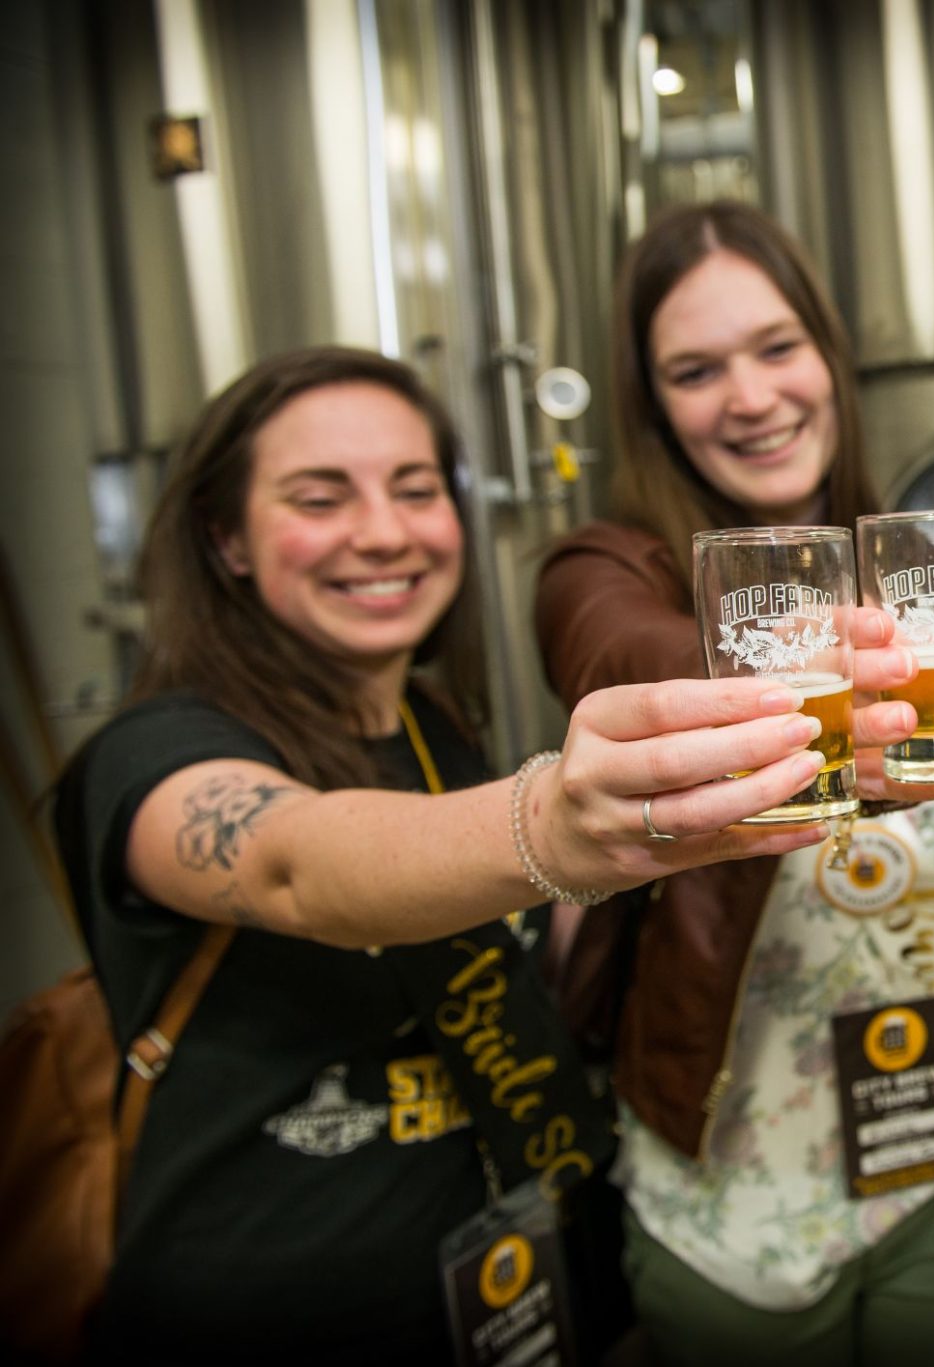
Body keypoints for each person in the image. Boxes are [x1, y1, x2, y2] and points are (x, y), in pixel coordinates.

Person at [51, 346, 846, 1365]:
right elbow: (293, 865)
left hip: (505, 1305)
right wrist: (551, 827)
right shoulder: (154, 751)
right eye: (319, 497)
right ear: (226, 538)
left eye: (415, 490)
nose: (382, 533)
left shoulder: (435, 729)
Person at [533, 200, 934, 1367]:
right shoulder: (605, 570)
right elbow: (621, 657)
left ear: (826, 355)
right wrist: (791, 656)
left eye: (775, 348)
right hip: (732, 1195)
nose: (749, 396)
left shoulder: (932, 557)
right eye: (696, 370)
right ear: (652, 404)